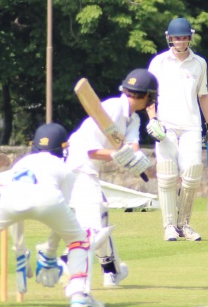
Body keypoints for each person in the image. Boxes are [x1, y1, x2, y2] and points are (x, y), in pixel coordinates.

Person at [0, 123, 104, 307]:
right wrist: (50, 254)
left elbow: (15, 209)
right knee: (79, 240)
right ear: (63, 148)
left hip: (11, 199)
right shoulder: (64, 168)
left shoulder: (21, 163)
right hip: (48, 199)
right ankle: (78, 295)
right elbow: (63, 214)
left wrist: (19, 249)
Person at [66, 69, 156, 288]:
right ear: (147, 96)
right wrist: (117, 155)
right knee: (93, 228)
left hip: (89, 169)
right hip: (77, 166)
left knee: (100, 217)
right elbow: (89, 150)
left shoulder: (132, 118)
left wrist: (137, 161)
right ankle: (63, 265)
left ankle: (112, 271)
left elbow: (131, 147)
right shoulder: (111, 109)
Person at [145, 17, 208, 242]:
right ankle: (168, 226)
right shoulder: (159, 62)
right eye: (176, 37)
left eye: (183, 37)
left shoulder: (199, 63)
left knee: (192, 174)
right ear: (169, 38)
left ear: (189, 38)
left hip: (190, 126)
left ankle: (183, 224)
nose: (180, 41)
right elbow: (149, 95)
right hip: (165, 125)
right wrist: (153, 119)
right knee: (167, 175)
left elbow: (203, 95)